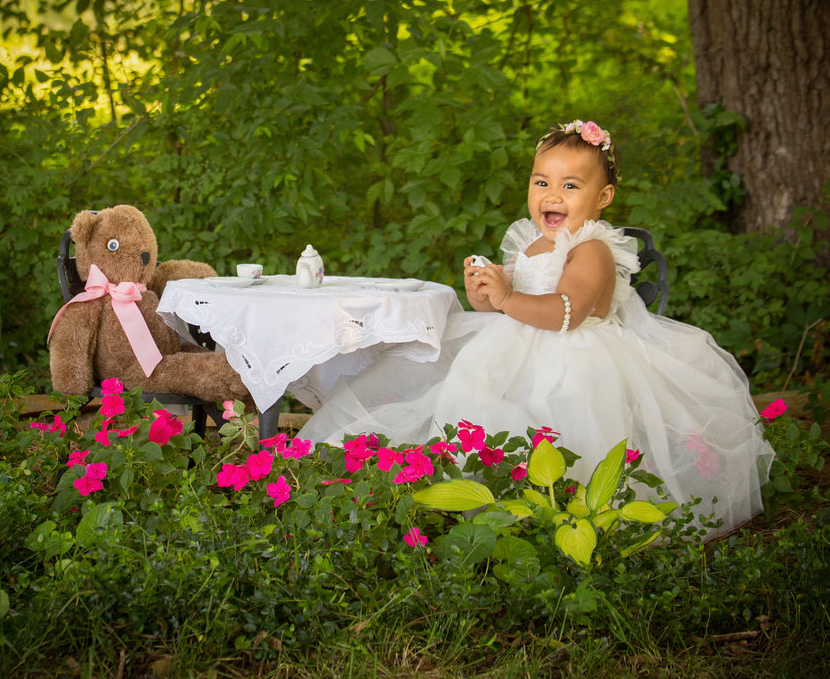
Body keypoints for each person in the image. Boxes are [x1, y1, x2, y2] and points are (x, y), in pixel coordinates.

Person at [297, 120, 775, 535]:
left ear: (602, 197)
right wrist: (486, 293)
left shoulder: (592, 250)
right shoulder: (529, 244)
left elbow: (566, 311)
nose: (552, 195)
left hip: (577, 359)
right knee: (467, 397)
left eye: (571, 186)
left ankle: (553, 506)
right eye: (541, 182)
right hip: (511, 349)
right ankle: (473, 492)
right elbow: (502, 311)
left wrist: (509, 298)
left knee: (558, 424)